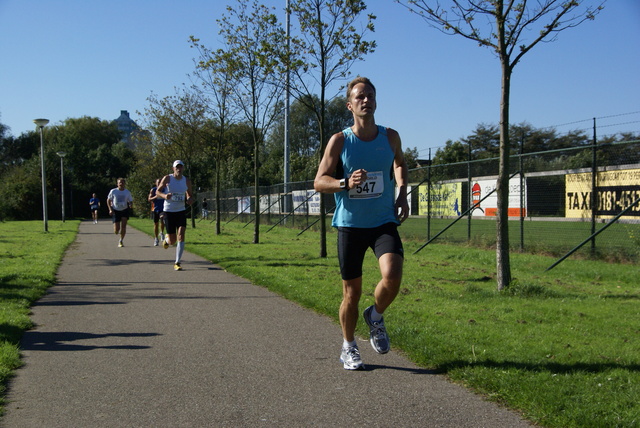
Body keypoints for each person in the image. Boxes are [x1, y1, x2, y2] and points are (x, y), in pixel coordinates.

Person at [314, 76, 409, 370]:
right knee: (351, 294)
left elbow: (400, 162)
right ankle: (349, 346)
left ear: (376, 100)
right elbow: (319, 181)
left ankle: (376, 315)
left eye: (370, 95)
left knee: (392, 276)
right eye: (360, 97)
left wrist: (402, 193)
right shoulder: (341, 140)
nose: (366, 100)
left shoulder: (390, 137)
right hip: (351, 225)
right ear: (349, 105)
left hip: (383, 221)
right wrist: (345, 182)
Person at [156, 160, 194, 271]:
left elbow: (190, 194)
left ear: (183, 168)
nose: (179, 169)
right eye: (177, 167)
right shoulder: (167, 178)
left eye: (181, 167)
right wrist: (164, 196)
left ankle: (177, 262)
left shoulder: (186, 181)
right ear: (173, 169)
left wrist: (189, 199)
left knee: (181, 234)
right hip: (168, 211)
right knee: (172, 240)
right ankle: (166, 240)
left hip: (181, 211)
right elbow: (158, 192)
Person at [107, 178, 134, 248]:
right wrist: (110, 209)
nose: (121, 184)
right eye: (119, 183)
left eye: (122, 183)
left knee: (124, 226)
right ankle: (116, 231)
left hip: (124, 210)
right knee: (116, 230)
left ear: (124, 184)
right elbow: (108, 200)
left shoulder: (127, 192)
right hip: (116, 210)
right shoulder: (113, 191)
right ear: (117, 184)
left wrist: (130, 204)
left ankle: (121, 240)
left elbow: (130, 200)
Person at [148, 178, 166, 246]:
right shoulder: (153, 190)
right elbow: (149, 199)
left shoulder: (165, 189)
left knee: (162, 219)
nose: (159, 184)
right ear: (156, 183)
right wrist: (156, 196)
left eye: (160, 182)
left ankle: (161, 232)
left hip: (164, 209)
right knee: (156, 224)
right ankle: (156, 238)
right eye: (158, 183)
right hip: (155, 209)